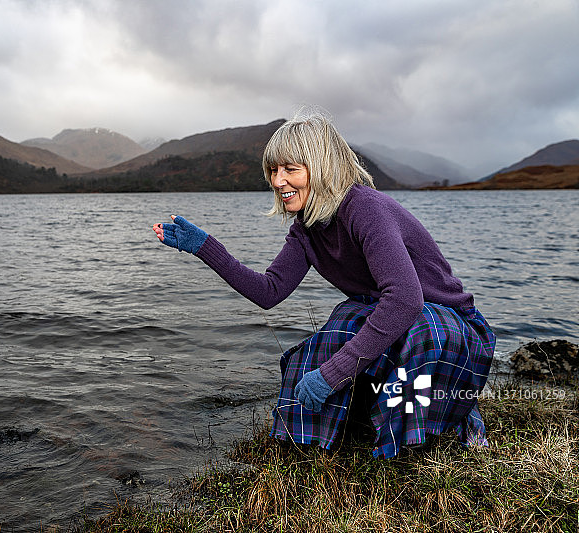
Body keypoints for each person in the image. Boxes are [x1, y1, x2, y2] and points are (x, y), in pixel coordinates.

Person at [151, 110, 495, 459]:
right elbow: (269, 292)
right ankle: (318, 437)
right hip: (405, 315)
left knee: (404, 327)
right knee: (339, 325)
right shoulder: (306, 230)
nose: (278, 181)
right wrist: (206, 247)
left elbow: (405, 301)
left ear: (321, 167)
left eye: (290, 169)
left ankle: (434, 425)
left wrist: (332, 375)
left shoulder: (366, 209)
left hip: (451, 326)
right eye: (273, 170)